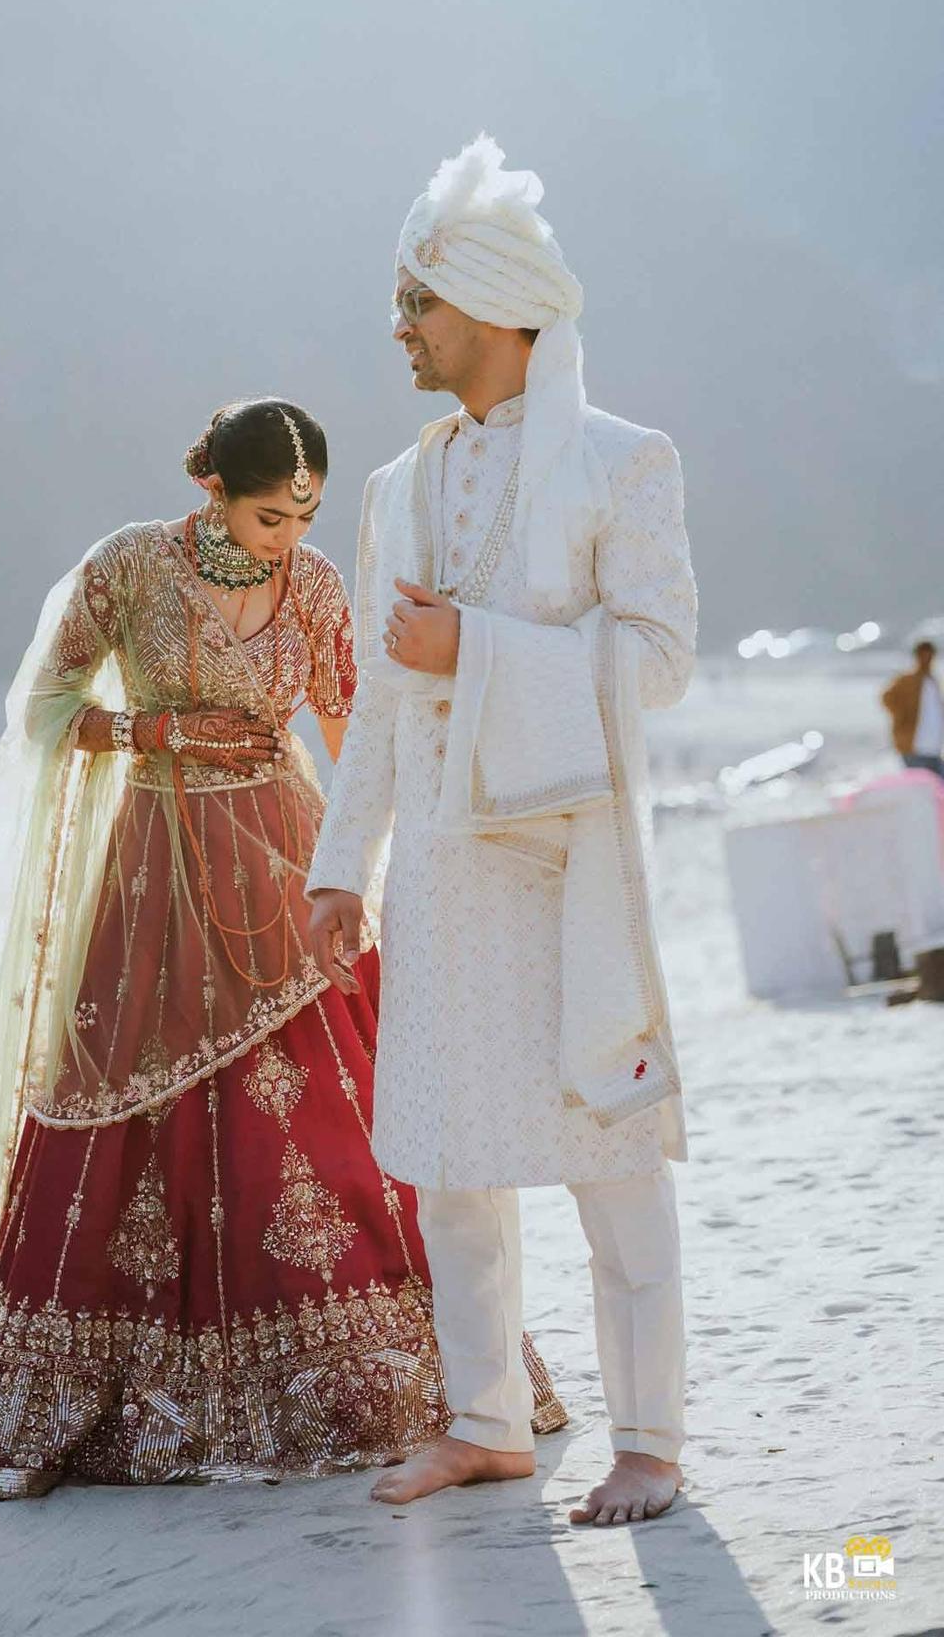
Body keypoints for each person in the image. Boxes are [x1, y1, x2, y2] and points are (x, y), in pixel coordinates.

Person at [0, 396, 565, 1496]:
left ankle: (405, 1375)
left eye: (306, 513)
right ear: (211, 492)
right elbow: (43, 709)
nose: (290, 536)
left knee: (332, 1113)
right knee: (140, 1112)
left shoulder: (321, 586)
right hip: (158, 867)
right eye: (271, 516)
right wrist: (152, 730)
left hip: (284, 853)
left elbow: (354, 720)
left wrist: (403, 844)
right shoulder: (130, 568)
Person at [306, 136, 698, 1524]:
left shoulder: (619, 461)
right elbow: (374, 696)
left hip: (572, 865)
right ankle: (486, 1423)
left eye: (416, 301)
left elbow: (656, 661)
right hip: (444, 880)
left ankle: (648, 1439)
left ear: (488, 305)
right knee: (453, 1164)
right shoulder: (394, 488)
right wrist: (340, 866)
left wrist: (475, 644)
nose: (399, 328)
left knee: (610, 1156)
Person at [882, 640, 944, 777]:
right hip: (914, 747)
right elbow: (887, 697)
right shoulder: (907, 680)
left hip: (933, 747)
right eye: (923, 655)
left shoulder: (932, 681)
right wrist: (902, 716)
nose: (927, 659)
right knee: (922, 787)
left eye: (930, 655)